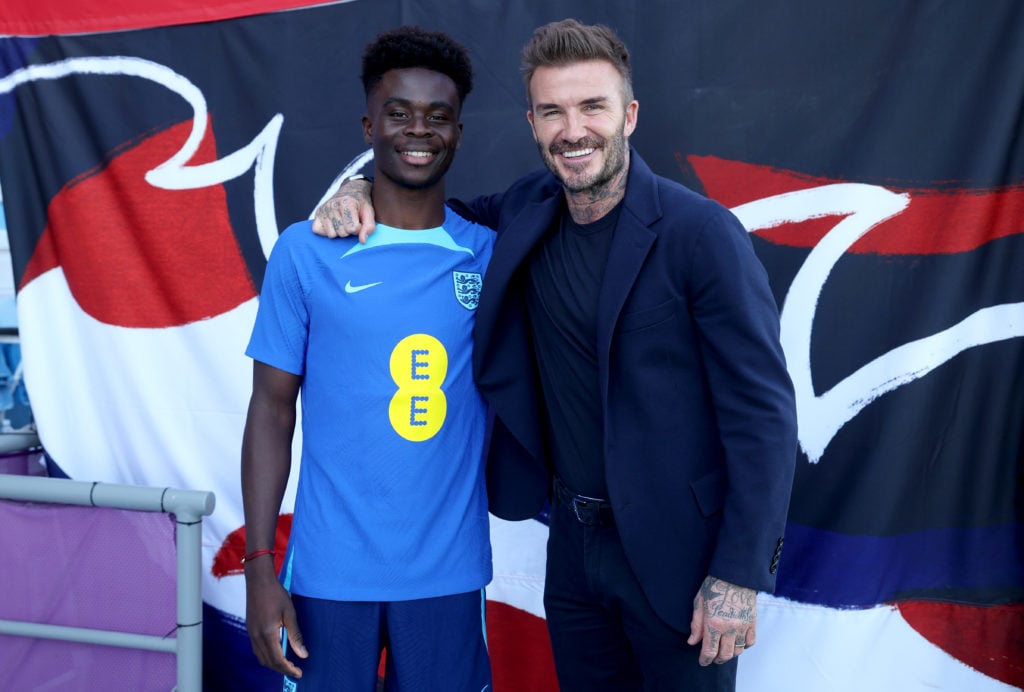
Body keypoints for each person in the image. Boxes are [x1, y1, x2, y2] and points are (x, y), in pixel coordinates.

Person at [314, 18, 797, 691]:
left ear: (628, 115)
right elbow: (426, 209)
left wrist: (739, 575)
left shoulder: (700, 234)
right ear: (535, 123)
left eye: (592, 107)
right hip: (572, 550)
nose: (574, 130)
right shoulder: (525, 211)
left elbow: (763, 414)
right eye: (553, 111)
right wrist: (360, 186)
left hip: (679, 556)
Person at [241, 26, 494, 691]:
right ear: (368, 125)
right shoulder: (305, 252)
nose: (419, 130)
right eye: (399, 114)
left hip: (447, 574)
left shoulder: (491, 257)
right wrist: (261, 569)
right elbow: (271, 408)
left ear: (459, 132)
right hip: (329, 573)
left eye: (438, 117)